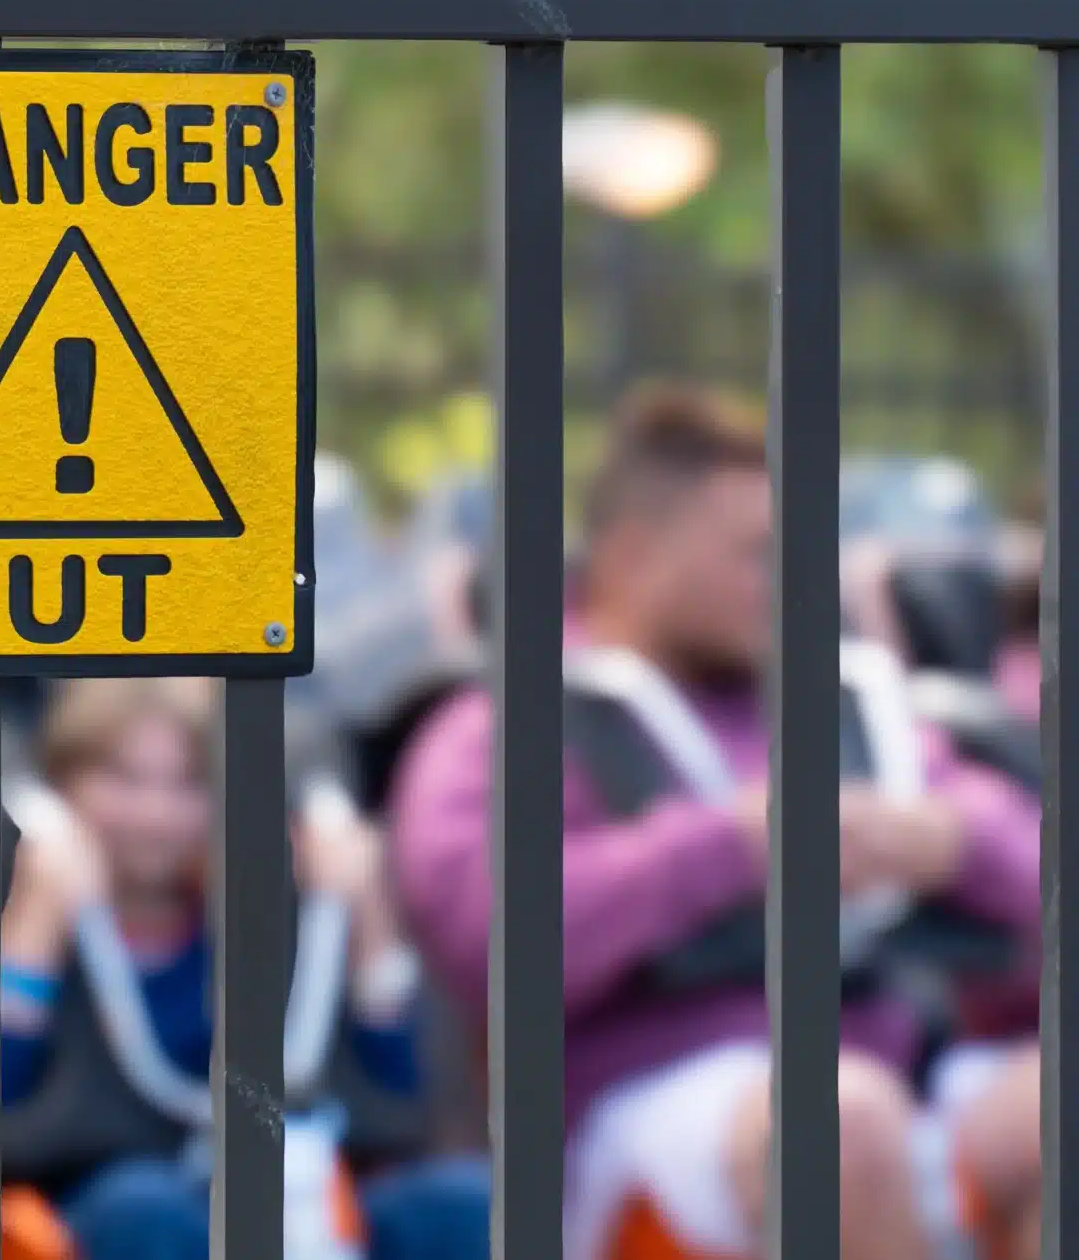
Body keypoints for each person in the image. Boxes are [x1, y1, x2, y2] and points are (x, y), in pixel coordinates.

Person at [391, 384, 1044, 1260]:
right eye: (754, 553)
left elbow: (1032, 866)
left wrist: (950, 841)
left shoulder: (837, 703)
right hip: (646, 1120)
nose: (785, 582)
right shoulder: (503, 724)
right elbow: (484, 935)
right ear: (632, 555)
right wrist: (731, 846)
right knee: (839, 1124)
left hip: (893, 1074)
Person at [0, 677, 481, 1260]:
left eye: (187, 785)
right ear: (60, 791)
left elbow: (400, 1100)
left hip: (287, 1185)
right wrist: (36, 927)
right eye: (123, 780)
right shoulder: (30, 907)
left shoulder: (264, 915)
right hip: (107, 1201)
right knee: (144, 1209)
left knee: (462, 1203)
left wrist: (363, 915)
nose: (155, 814)